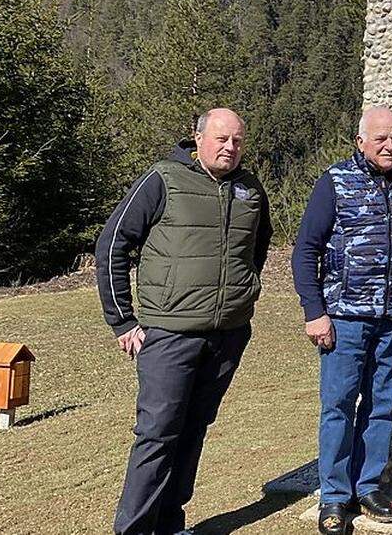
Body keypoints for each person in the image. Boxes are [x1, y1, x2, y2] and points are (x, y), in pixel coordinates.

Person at [96, 108, 272, 535]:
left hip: (227, 335)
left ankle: (171, 523)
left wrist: (243, 290)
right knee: (157, 435)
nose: (229, 147)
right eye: (220, 138)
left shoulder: (250, 188)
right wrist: (123, 321)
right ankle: (135, 530)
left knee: (194, 430)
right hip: (169, 335)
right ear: (197, 139)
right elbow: (113, 245)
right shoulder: (163, 179)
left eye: (237, 141)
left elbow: (258, 246)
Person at [291, 105, 392, 535]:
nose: (390, 145)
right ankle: (333, 497)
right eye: (381, 139)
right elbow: (306, 251)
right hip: (344, 321)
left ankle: (368, 486)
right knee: (338, 408)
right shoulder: (335, 182)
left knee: (382, 409)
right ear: (360, 142)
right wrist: (314, 312)